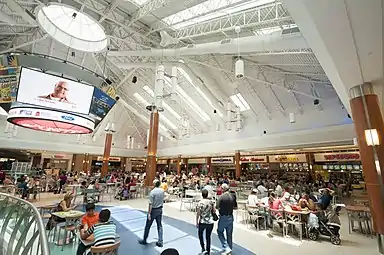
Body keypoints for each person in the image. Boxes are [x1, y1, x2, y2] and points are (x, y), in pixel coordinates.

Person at [139, 179, 164, 247]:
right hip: (160, 209)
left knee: (148, 226)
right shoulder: (162, 191)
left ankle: (144, 240)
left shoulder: (152, 192)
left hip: (153, 210)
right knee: (159, 225)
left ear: (154, 184)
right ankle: (160, 241)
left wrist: (149, 213)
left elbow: (150, 204)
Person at [216, 183, 235, 255]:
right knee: (229, 234)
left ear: (223, 189)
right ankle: (230, 249)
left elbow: (217, 206)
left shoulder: (221, 197)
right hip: (231, 216)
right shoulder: (232, 196)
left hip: (223, 217)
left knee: (220, 231)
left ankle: (226, 247)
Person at [196, 189, 215, 255]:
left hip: (202, 221)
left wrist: (197, 222)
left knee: (200, 235)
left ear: (202, 195)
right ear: (207, 195)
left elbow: (198, 213)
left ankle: (203, 248)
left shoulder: (200, 203)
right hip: (210, 222)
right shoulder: (211, 202)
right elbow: (214, 211)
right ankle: (208, 251)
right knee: (208, 237)